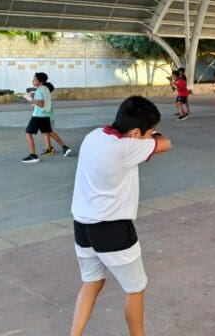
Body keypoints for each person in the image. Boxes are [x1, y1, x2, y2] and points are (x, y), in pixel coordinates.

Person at [69, 96, 172, 336]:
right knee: (135, 288)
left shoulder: (94, 136)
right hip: (112, 229)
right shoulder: (126, 148)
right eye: (148, 132)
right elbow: (167, 143)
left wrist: (147, 135)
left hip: (82, 226)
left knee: (92, 282)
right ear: (136, 132)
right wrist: (153, 137)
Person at [21, 72, 56, 164]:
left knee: (28, 133)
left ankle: (33, 155)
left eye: (35, 79)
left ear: (40, 81)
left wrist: (30, 99)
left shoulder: (40, 90)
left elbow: (41, 104)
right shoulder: (44, 89)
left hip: (38, 116)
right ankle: (60, 147)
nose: (33, 80)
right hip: (45, 115)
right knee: (47, 133)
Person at [35, 81, 73, 157]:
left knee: (50, 133)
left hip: (45, 118)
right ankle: (49, 148)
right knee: (46, 133)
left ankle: (64, 147)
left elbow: (42, 106)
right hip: (47, 117)